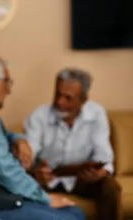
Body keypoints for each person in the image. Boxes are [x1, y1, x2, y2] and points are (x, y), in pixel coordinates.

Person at [0, 55, 85, 220]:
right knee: (69, 217)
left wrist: (16, 138)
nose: (9, 90)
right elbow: (4, 168)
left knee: (74, 212)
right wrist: (45, 198)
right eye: (7, 82)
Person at [24, 68, 122, 220]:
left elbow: (104, 155)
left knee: (110, 187)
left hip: (82, 179)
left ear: (83, 99)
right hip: (48, 180)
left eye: (67, 98)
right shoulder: (39, 116)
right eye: (57, 94)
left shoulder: (97, 114)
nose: (59, 102)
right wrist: (35, 170)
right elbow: (28, 154)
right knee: (26, 185)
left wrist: (101, 172)